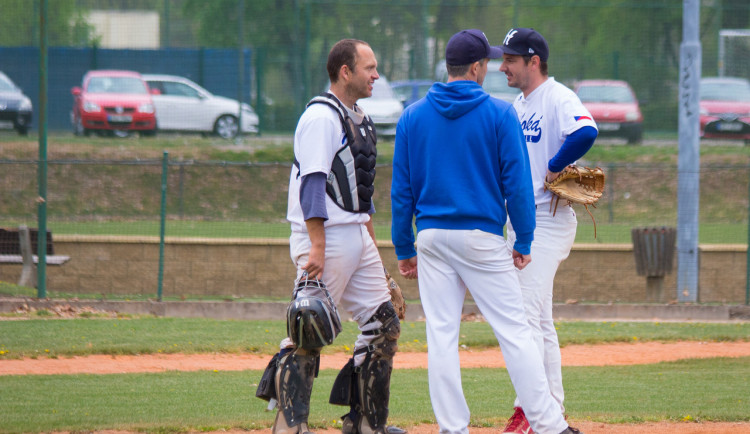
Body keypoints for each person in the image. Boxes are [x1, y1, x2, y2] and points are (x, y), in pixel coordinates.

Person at [390, 28, 581, 434]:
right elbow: (515, 184)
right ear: (476, 68)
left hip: (431, 238)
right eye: (489, 62)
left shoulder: (412, 115)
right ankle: (549, 424)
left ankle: (452, 428)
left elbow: (401, 190)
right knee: (515, 331)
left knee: (442, 336)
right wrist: (525, 239)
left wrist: (404, 246)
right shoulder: (499, 113)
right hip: (481, 236)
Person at [258, 39, 405, 434]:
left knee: (384, 325)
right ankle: (290, 426)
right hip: (326, 237)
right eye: (369, 68)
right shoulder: (321, 118)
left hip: (355, 234)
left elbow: (361, 195)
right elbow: (312, 185)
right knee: (310, 327)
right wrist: (317, 247)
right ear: (345, 71)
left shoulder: (358, 115)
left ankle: (365, 423)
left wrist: (375, 252)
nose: (376, 75)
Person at [498, 28, 598, 434]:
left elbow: (586, 131)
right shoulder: (518, 105)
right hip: (521, 222)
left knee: (521, 319)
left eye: (510, 60)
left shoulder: (557, 97)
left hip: (549, 223)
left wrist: (556, 165)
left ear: (533, 61)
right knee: (538, 321)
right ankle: (552, 411)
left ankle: (529, 411)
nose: (502, 66)